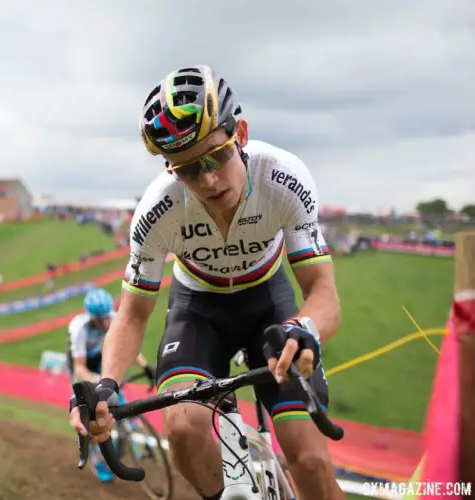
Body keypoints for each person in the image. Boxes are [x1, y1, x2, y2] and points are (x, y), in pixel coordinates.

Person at [69, 65, 343, 499]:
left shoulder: (283, 177)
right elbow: (133, 314)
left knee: (307, 459)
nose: (209, 179)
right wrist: (106, 386)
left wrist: (304, 329)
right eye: (189, 170)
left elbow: (322, 291)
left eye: (217, 156)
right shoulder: (158, 210)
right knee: (181, 429)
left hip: (269, 307)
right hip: (198, 311)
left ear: (243, 135)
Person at [67, 287, 155, 484]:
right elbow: (80, 368)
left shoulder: (113, 318)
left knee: (116, 392)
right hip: (82, 364)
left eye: (107, 317)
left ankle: (130, 433)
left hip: (100, 356)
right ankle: (98, 459)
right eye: (101, 319)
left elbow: (126, 347)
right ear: (92, 318)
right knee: (90, 413)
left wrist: (146, 366)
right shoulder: (80, 330)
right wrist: (99, 382)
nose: (106, 322)